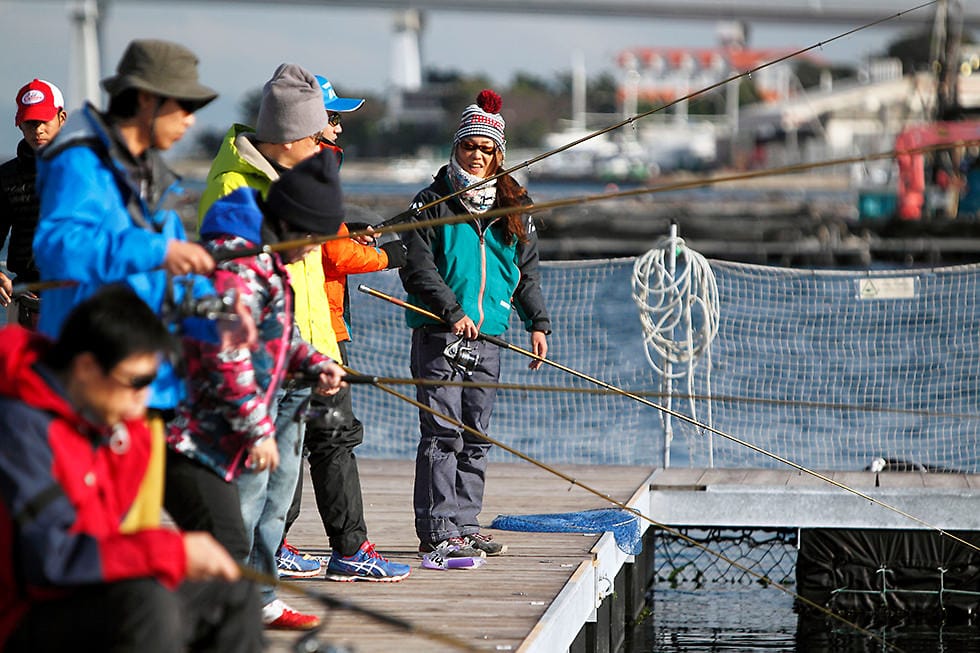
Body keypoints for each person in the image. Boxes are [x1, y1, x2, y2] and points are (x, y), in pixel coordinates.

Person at [0, 285, 263, 653]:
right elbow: (50, 560)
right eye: (136, 383)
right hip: (21, 612)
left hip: (81, 591)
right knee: (148, 604)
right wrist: (172, 551)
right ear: (87, 368)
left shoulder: (111, 425)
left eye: (150, 383)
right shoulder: (21, 427)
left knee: (232, 591)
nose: (143, 402)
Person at [167, 148, 348, 631]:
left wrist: (315, 363)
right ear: (291, 224)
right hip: (200, 439)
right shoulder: (242, 267)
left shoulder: (266, 259)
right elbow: (226, 356)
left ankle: (234, 617)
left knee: (234, 540)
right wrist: (257, 430)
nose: (312, 251)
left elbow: (276, 335)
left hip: (231, 431)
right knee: (225, 545)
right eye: (312, 239)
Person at [32, 39, 223, 425]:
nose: (191, 121)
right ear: (146, 100)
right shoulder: (79, 162)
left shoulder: (153, 176)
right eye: (185, 106)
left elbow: (169, 277)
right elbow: (57, 248)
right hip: (90, 390)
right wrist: (158, 250)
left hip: (150, 387)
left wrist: (220, 319)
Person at [399, 89, 551, 558]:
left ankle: (466, 523)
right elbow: (417, 268)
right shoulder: (430, 202)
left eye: (487, 149)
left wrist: (537, 323)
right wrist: (453, 311)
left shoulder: (515, 205)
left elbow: (525, 272)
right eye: (470, 146)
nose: (477, 156)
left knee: (476, 435)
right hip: (439, 334)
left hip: (490, 338)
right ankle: (438, 528)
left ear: (498, 154)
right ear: (457, 146)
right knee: (442, 433)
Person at [278, 74, 409, 583]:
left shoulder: (300, 168)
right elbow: (334, 253)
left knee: (304, 438)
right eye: (332, 118)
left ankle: (281, 543)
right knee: (328, 440)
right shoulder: (309, 172)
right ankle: (345, 550)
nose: (337, 128)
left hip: (313, 324)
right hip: (316, 330)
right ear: (308, 122)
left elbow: (327, 238)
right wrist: (388, 255)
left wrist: (350, 232)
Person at [0, 79, 67, 328]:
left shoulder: (87, 169)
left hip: (81, 298)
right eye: (30, 123)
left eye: (43, 121)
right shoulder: (6, 177)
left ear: (62, 118)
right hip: (26, 300)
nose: (37, 130)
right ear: (20, 125)